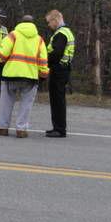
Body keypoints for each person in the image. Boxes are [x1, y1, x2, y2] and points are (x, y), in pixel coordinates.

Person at [0, 14, 49, 138]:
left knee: (6, 102)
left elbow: (3, 53)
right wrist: (43, 74)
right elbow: (43, 59)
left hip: (11, 74)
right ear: (33, 24)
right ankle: (21, 129)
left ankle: (2, 127)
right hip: (30, 76)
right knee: (26, 104)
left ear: (21, 23)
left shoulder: (13, 35)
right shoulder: (39, 39)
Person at [44, 9, 75, 138]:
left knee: (57, 100)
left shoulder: (61, 34)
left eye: (49, 22)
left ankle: (59, 129)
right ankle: (57, 127)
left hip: (59, 70)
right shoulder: (66, 32)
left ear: (55, 20)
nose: (48, 25)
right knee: (58, 99)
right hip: (63, 69)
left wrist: (44, 60)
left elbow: (56, 53)